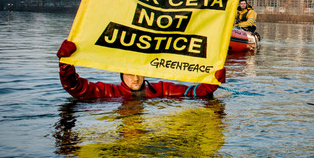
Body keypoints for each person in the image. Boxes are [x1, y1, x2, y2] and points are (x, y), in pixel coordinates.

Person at [57, 40, 224, 100]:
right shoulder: (107, 92)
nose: (135, 79)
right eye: (130, 74)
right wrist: (66, 65)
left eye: (138, 74)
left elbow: (193, 93)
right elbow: (75, 87)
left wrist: (211, 82)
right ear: (122, 75)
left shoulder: (161, 89)